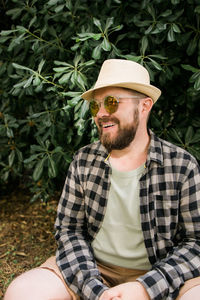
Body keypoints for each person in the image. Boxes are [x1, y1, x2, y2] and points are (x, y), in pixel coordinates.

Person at [4, 59, 200, 300]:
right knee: (21, 294)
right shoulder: (84, 160)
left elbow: (196, 242)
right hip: (93, 269)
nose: (101, 114)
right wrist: (96, 290)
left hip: (162, 271)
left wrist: (145, 288)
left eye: (112, 102)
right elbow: (69, 231)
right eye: (96, 106)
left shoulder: (181, 165)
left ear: (144, 106)